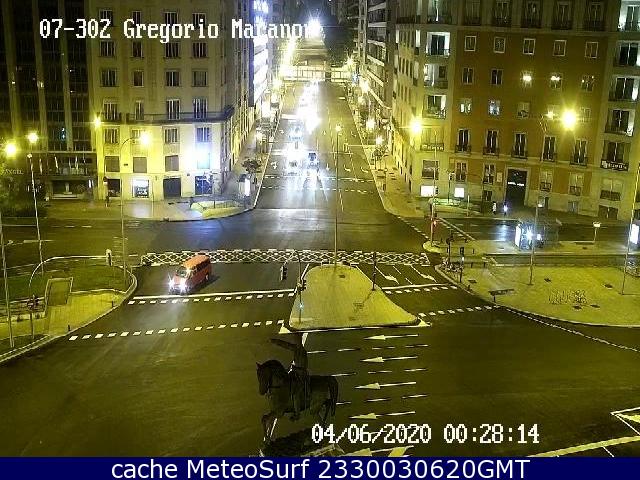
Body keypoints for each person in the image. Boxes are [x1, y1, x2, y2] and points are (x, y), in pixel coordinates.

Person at [271, 334, 309, 421]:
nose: (296, 342)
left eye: (297, 340)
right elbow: (286, 345)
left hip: (301, 376)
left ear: (300, 341)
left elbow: (303, 367)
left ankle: (297, 414)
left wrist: (293, 369)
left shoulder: (302, 352)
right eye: (295, 340)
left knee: (296, 394)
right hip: (294, 373)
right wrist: (275, 341)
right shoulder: (296, 348)